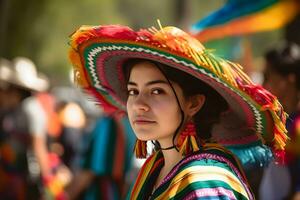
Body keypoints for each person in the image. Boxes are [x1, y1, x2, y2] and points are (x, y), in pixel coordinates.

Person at [68, 24, 288, 199]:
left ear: (193, 103)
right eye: (133, 91)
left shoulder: (205, 181)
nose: (138, 104)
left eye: (157, 91)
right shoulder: (156, 167)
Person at [260, 43, 300, 200]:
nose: (265, 85)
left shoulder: (297, 125)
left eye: (270, 77)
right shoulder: (279, 119)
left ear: (289, 80)